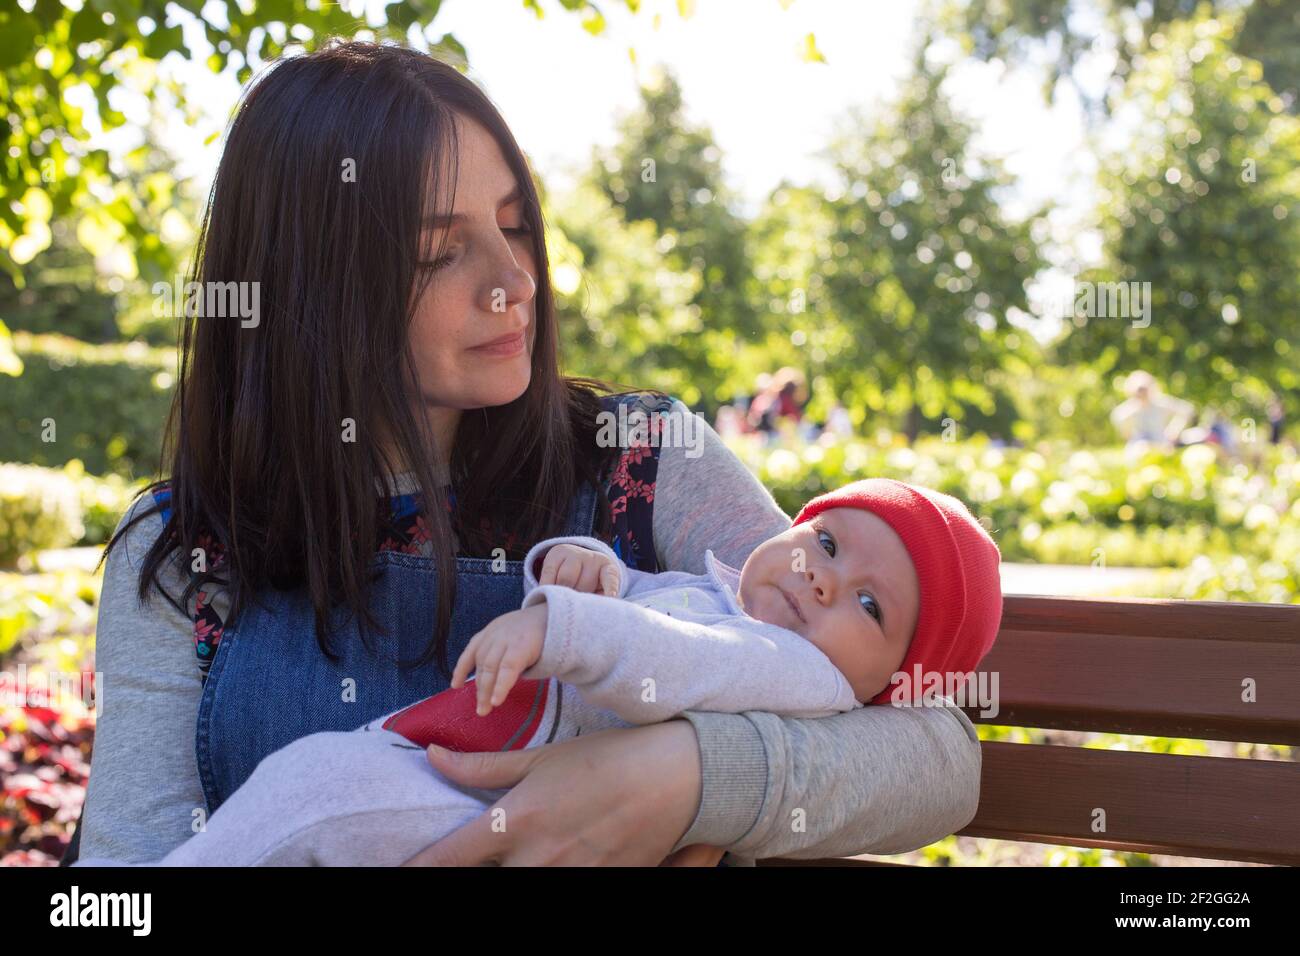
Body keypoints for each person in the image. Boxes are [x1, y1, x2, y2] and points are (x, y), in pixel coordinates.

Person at [74, 40, 982, 869]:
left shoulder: (643, 458)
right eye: (441, 251)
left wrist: (675, 776)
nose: (514, 284)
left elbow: (934, 755)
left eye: (515, 226)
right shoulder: (184, 549)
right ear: (314, 283)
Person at [74, 480, 1001, 866]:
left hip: (477, 797)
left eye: (871, 607)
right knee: (305, 791)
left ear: (886, 674)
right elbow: (647, 597)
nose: (824, 577)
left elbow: (677, 664)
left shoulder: (796, 667)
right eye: (828, 540)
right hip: (463, 754)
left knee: (318, 799)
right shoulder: (724, 587)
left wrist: (569, 628)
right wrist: (582, 563)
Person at [1108, 370, 1196, 449]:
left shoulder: (1160, 402)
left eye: (1144, 389)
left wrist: (1174, 430)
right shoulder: (1129, 409)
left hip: (1161, 444)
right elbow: (1117, 420)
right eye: (1139, 390)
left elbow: (1187, 410)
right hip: (1139, 447)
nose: (1142, 393)